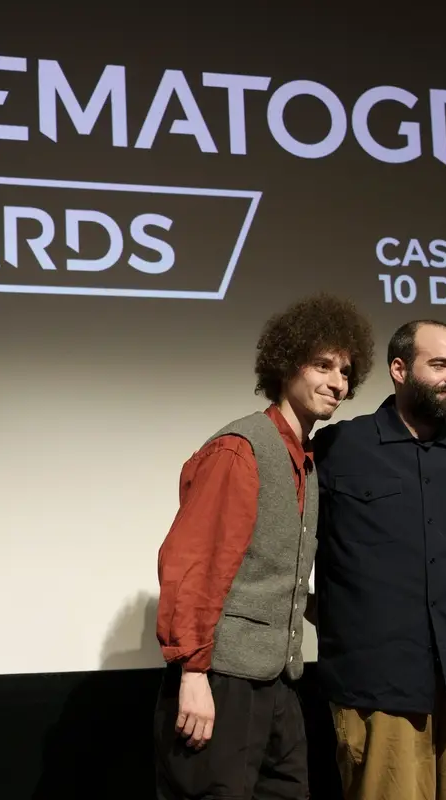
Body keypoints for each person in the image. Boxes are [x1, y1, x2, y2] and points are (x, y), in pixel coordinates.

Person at [153, 293, 376, 800]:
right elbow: (194, 563)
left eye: (345, 371)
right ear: (285, 364)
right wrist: (192, 673)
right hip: (222, 679)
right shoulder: (241, 448)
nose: (337, 382)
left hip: (278, 680)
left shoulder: (307, 462)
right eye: (322, 365)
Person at [311, 319, 446, 800]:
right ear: (399, 369)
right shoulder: (340, 449)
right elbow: (291, 549)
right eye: (439, 364)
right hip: (378, 692)